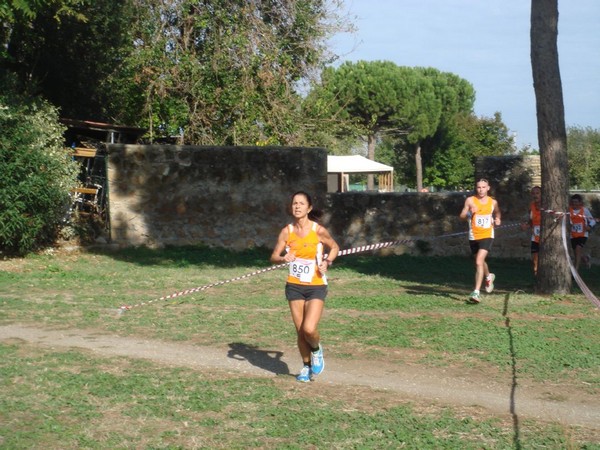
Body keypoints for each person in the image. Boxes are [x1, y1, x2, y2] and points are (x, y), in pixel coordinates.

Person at [270, 191, 339, 382]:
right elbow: (274, 256)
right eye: (294, 204)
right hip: (294, 285)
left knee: (309, 329)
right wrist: (284, 257)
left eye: (301, 204)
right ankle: (306, 367)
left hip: (316, 285)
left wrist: (328, 261)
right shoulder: (287, 231)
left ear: (309, 208)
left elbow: (334, 247)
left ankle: (316, 350)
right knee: (300, 331)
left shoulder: (318, 230)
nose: (297, 206)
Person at [459, 179, 501, 304]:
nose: (481, 189)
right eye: (478, 187)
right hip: (473, 235)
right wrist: (469, 214)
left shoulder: (493, 202)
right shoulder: (470, 200)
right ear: (476, 188)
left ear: (488, 188)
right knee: (480, 261)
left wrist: (498, 219)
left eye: (483, 187)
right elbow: (461, 216)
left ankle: (476, 292)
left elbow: (498, 212)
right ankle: (489, 276)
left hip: (487, 234)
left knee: (478, 261)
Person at [569, 194, 596, 271]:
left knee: (578, 249)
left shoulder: (584, 210)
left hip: (583, 234)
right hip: (573, 234)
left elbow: (593, 220)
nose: (575, 204)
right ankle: (585, 258)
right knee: (576, 253)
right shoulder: (569, 210)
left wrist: (589, 226)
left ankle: (575, 271)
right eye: (573, 202)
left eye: (576, 202)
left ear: (580, 202)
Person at [521, 186, 542, 276]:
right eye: (533, 193)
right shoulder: (532, 206)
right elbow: (531, 220)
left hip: (546, 235)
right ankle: (536, 274)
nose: (535, 195)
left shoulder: (547, 205)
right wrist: (527, 225)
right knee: (534, 258)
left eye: (537, 193)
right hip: (535, 236)